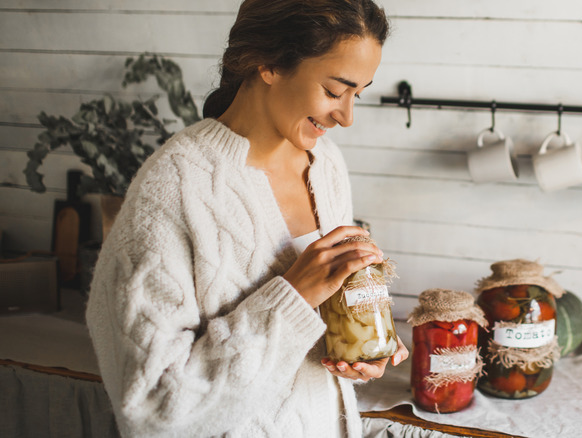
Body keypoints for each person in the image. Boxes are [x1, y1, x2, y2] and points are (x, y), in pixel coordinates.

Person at [85, 1, 407, 437]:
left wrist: (359, 338)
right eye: (334, 91)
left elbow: (311, 331)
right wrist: (292, 297)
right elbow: (152, 408)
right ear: (268, 64)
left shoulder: (326, 164)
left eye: (358, 94)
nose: (347, 117)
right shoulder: (174, 186)